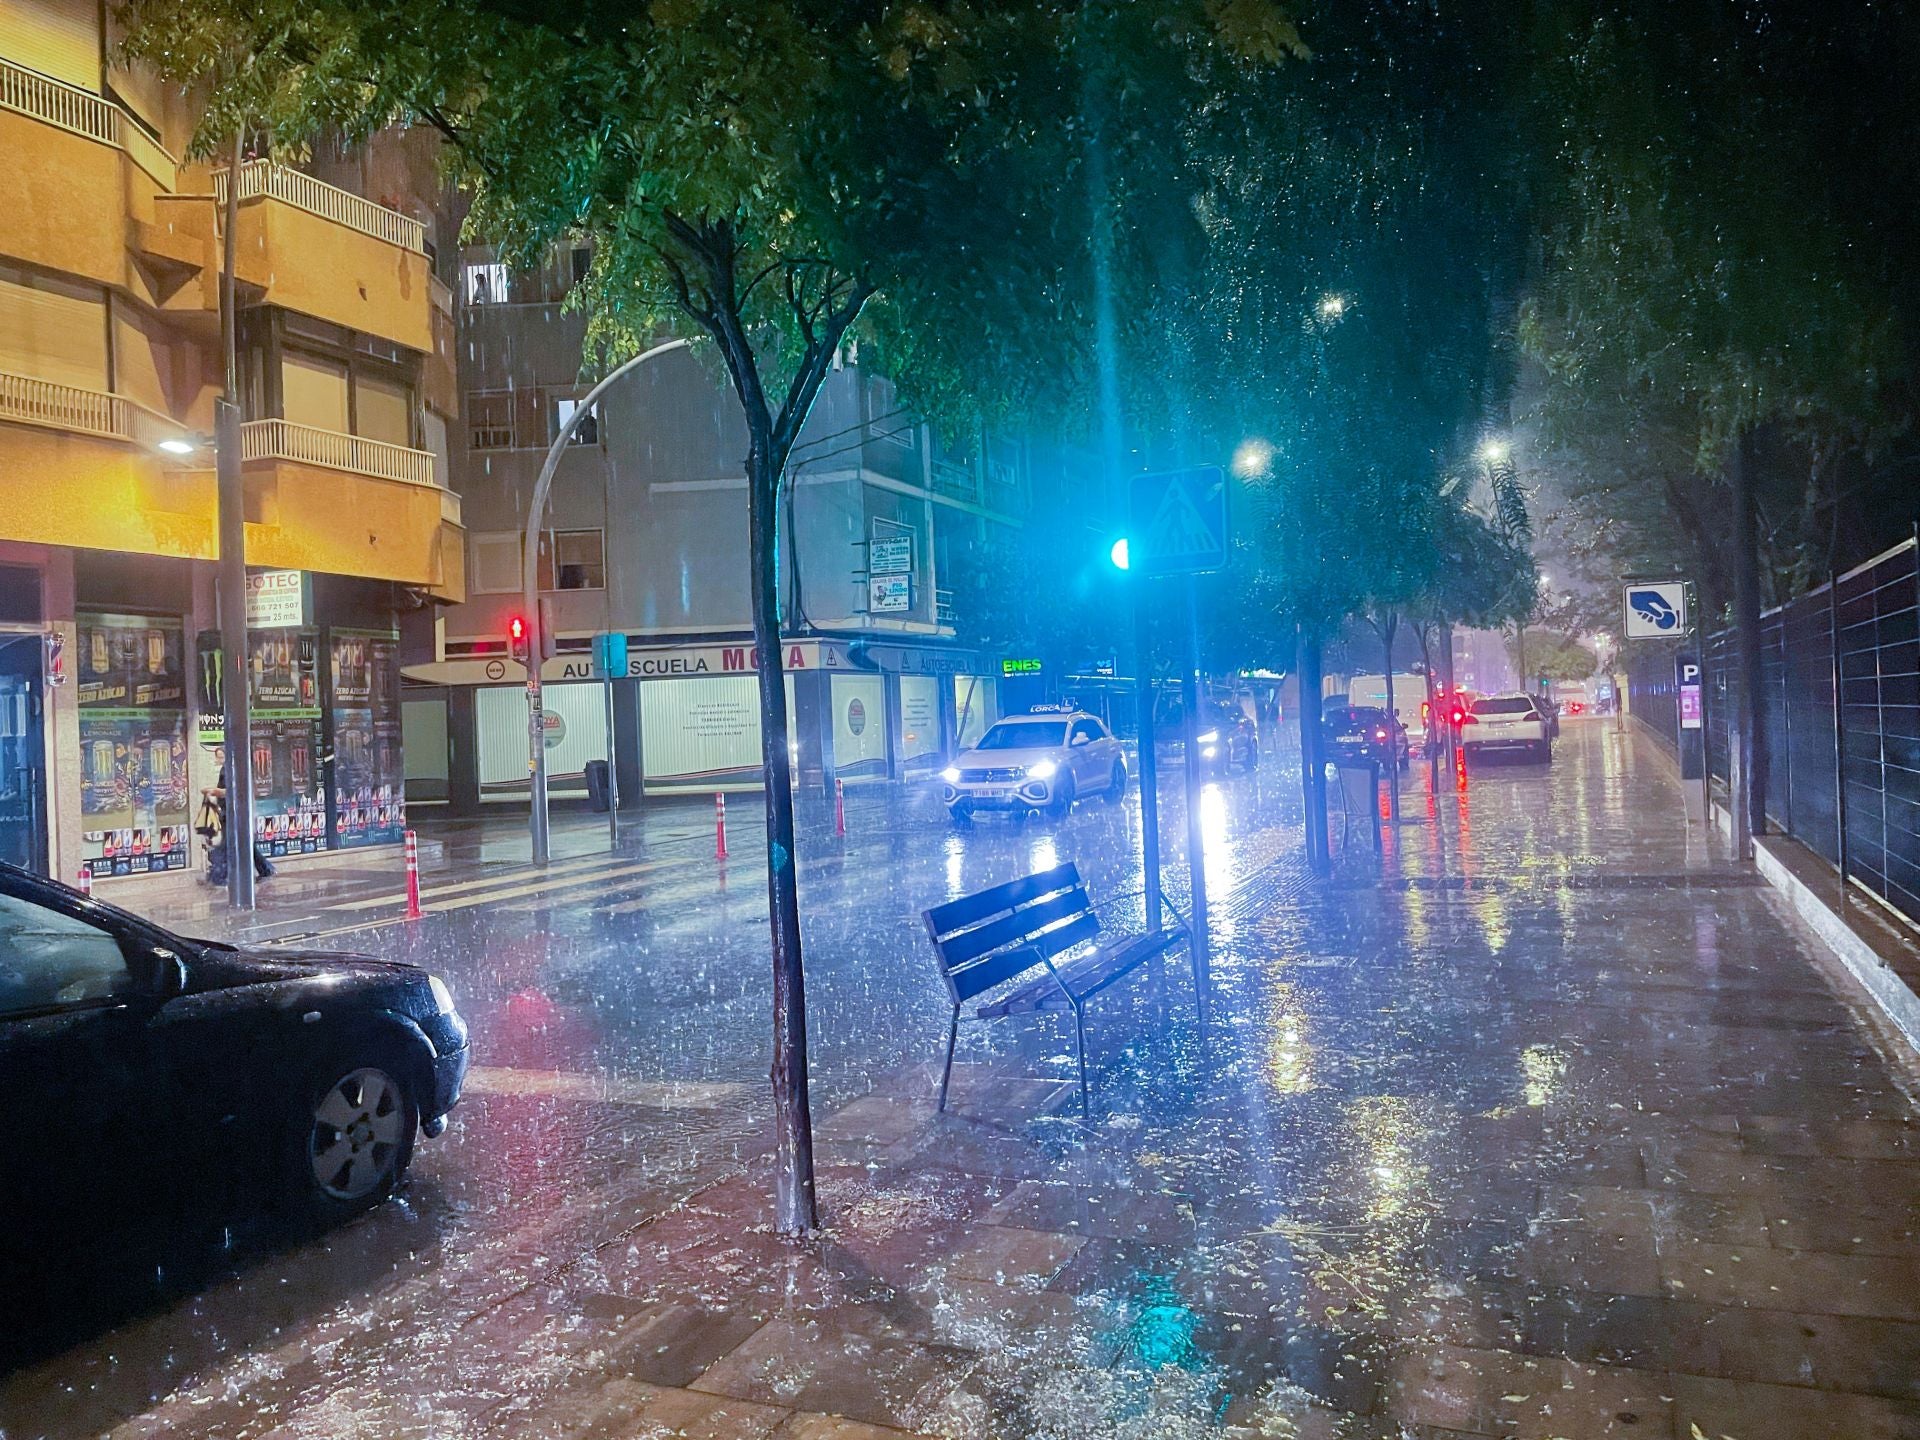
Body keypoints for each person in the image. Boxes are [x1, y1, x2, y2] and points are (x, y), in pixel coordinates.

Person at [200, 759, 274, 885]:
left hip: (235, 814)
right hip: (233, 813)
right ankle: (266, 869)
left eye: (219, 756)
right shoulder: (235, 766)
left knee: (226, 845)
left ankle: (218, 876)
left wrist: (214, 791)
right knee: (244, 843)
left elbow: (233, 790)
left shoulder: (235, 766)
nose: (217, 759)